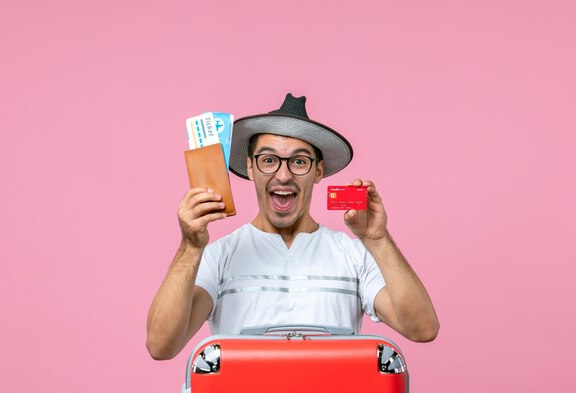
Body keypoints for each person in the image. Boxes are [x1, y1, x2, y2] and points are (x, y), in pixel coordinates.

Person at [146, 93, 439, 360]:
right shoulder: (218, 257)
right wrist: (190, 247)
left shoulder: (353, 255)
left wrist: (378, 239)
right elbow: (161, 346)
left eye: (299, 161)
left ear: (318, 171)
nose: (283, 176)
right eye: (269, 160)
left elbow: (422, 329)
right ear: (250, 167)